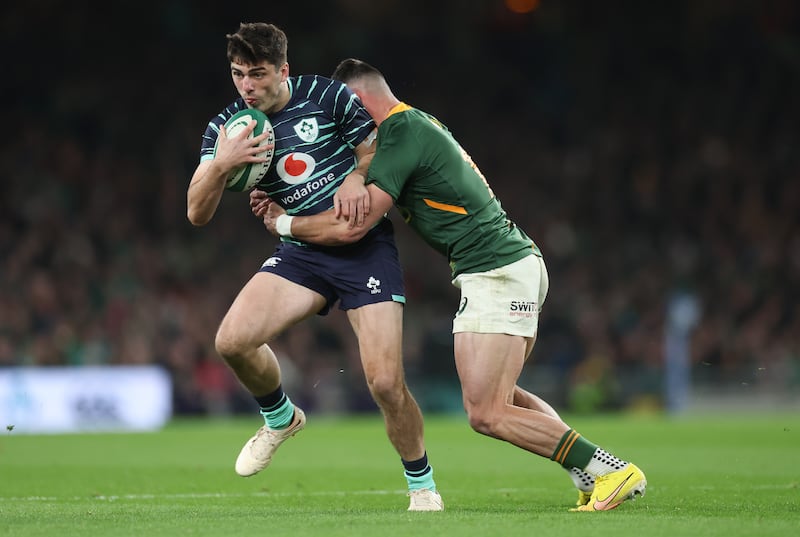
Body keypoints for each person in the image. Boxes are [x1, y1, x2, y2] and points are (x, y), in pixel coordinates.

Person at [252, 58, 647, 512]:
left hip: (496, 270)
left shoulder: (400, 134)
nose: (339, 125)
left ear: (356, 102)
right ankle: (589, 471)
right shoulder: (413, 125)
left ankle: (610, 469)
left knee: (486, 412)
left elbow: (354, 225)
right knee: (505, 397)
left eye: (342, 111)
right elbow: (345, 180)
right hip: (503, 265)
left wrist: (283, 221)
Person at [186, 25, 443, 512]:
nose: (247, 86)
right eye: (238, 74)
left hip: (364, 247)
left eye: (258, 74)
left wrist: (356, 176)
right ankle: (280, 417)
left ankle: (421, 485)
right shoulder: (226, 128)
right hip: (302, 251)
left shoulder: (327, 96)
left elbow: (373, 148)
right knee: (232, 341)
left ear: (283, 70)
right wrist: (222, 165)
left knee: (386, 383)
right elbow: (197, 213)